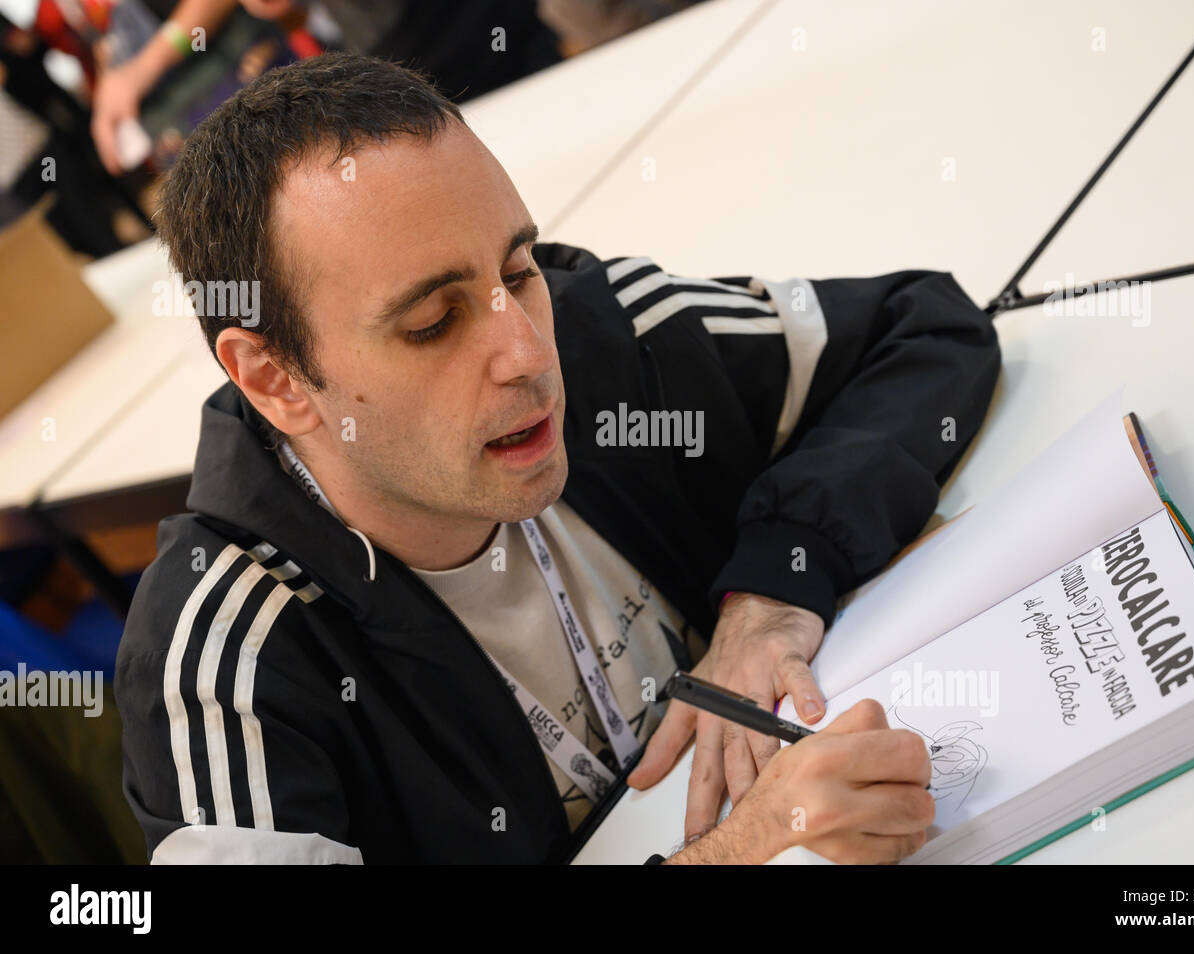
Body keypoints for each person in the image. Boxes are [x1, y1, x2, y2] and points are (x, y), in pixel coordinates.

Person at [115, 53, 1001, 864]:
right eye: (433, 322)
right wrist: (744, 849)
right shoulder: (226, 667)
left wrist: (773, 585)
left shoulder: (606, 332)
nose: (530, 354)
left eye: (517, 268)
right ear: (274, 379)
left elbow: (922, 331)